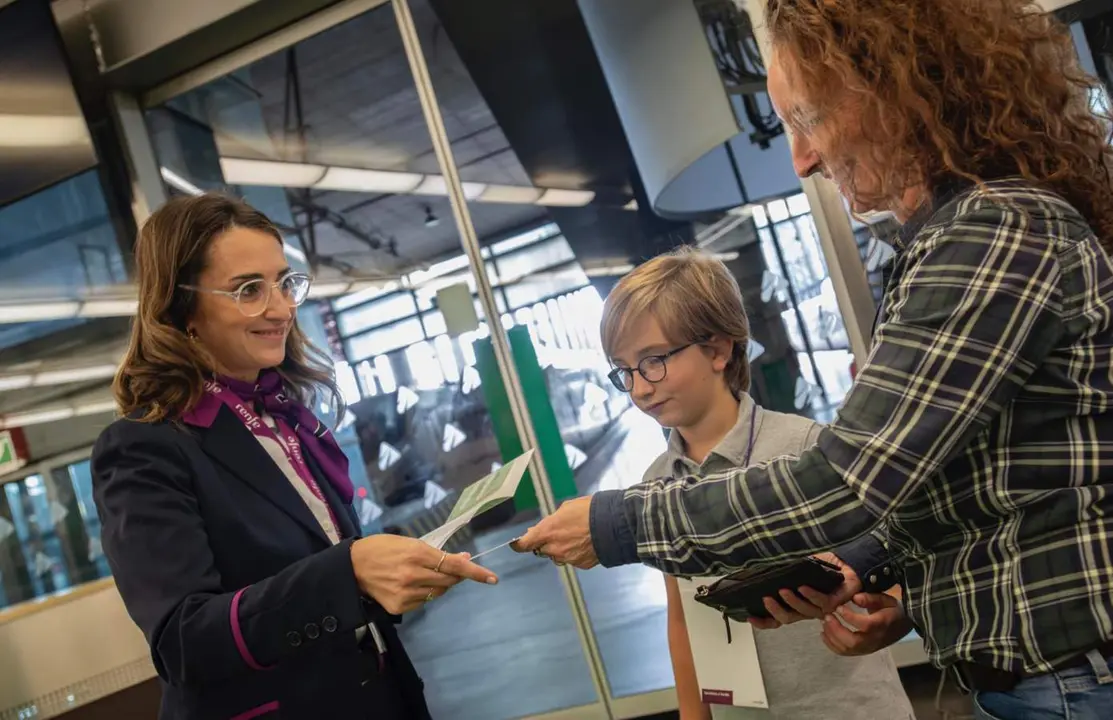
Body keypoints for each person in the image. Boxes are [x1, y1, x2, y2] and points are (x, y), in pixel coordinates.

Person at [514, 1, 1113, 717]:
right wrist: (863, 567)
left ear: (894, 89)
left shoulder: (993, 233)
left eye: (810, 118)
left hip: (1073, 684)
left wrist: (619, 525)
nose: (800, 157)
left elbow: (845, 479)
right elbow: (974, 485)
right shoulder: (953, 240)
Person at [92, 193, 498, 720]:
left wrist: (392, 572)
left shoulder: (285, 418)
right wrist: (346, 573)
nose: (281, 308)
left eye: (285, 283)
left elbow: (316, 571)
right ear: (181, 307)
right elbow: (183, 639)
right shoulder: (144, 447)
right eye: (247, 290)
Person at [601, 247, 913, 719]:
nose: (640, 387)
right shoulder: (654, 486)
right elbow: (682, 619)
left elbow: (889, 557)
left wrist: (892, 613)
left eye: (653, 361)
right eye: (624, 370)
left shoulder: (810, 450)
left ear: (718, 350)